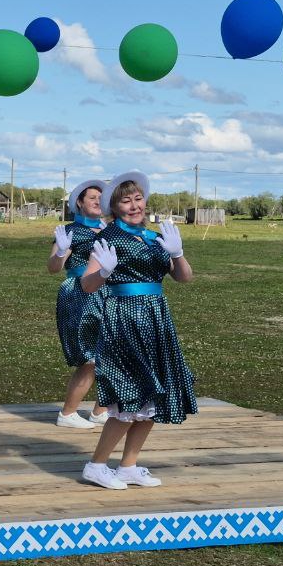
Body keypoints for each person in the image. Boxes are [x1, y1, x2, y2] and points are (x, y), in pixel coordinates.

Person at [78, 170, 196, 490]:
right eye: (126, 201)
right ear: (114, 208)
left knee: (154, 393)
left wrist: (177, 254)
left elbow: (184, 278)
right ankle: (96, 465)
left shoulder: (155, 238)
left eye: (138, 199)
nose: (134, 206)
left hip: (156, 320)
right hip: (125, 320)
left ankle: (128, 465)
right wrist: (103, 272)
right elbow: (87, 285)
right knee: (128, 395)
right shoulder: (108, 238)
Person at [47, 179, 110, 429]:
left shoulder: (110, 229)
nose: (97, 201)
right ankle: (68, 413)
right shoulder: (70, 231)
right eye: (92, 197)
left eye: (101, 198)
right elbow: (53, 267)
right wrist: (61, 251)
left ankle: (100, 411)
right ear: (79, 203)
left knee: (112, 354)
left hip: (110, 292)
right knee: (90, 356)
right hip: (81, 294)